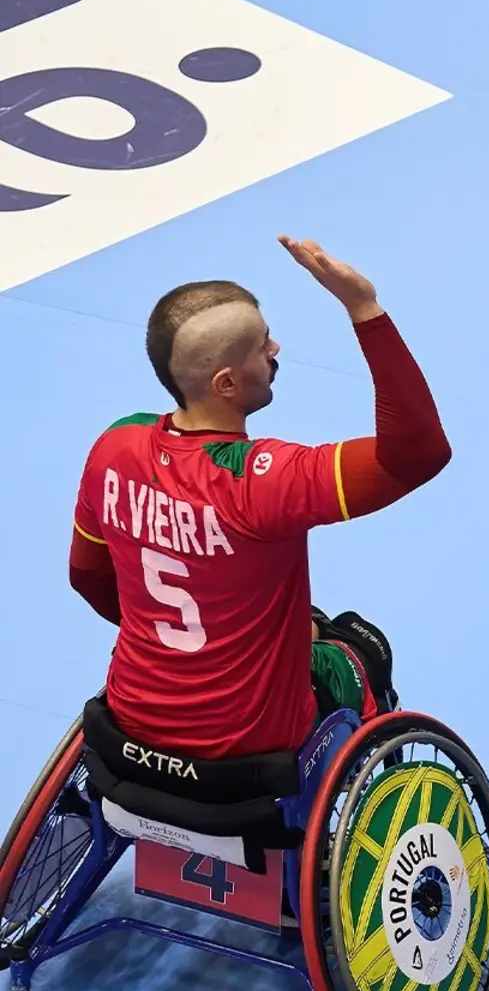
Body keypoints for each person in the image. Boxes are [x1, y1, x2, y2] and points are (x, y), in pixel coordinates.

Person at [68, 237, 451, 761]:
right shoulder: (265, 480)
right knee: (361, 647)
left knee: (301, 619)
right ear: (227, 383)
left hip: (132, 721)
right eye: (263, 345)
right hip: (251, 745)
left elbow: (88, 577)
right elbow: (419, 452)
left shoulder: (114, 447)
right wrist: (364, 308)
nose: (276, 351)